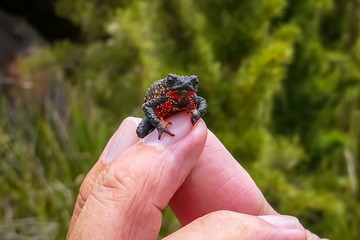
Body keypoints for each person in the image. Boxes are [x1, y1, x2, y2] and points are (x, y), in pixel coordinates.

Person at [67, 113, 326, 240]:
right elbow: (149, 107)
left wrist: (194, 115)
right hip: (157, 120)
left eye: (191, 85)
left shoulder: (189, 98)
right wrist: (159, 126)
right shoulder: (165, 96)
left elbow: (200, 106)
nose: (186, 88)